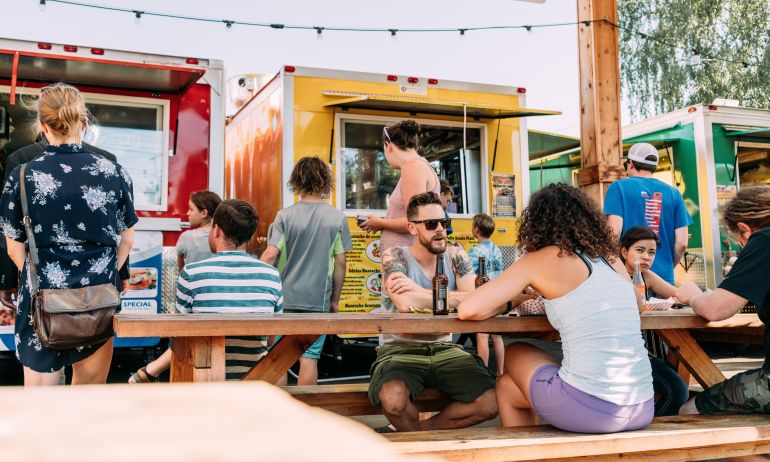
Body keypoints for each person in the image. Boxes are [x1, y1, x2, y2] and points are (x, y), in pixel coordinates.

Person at [459, 183, 654, 434]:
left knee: (516, 351)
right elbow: (637, 304)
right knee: (507, 386)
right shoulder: (611, 258)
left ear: (539, 223)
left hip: (593, 410)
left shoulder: (541, 259)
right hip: (642, 405)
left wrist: (518, 298)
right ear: (589, 219)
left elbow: (468, 309)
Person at [0, 82, 137, 386]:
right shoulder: (113, 171)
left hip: (42, 303)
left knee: (41, 399)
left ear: (42, 125)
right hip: (97, 301)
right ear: (84, 123)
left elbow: (13, 247)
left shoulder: (22, 175)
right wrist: (104, 273)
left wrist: (38, 276)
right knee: (87, 395)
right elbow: (126, 238)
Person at [370, 192, 498, 432]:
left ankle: (421, 434)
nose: (440, 229)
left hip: (445, 348)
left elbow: (478, 300)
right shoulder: (395, 256)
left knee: (492, 401)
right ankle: (421, 443)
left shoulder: (456, 255)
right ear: (412, 228)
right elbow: (404, 303)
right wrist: (456, 299)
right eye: (431, 224)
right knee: (393, 400)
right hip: (399, 349)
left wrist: (419, 292)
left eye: (444, 223)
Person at [0, 136, 128, 311]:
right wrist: (118, 274)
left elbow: (11, 239)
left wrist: (9, 280)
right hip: (99, 290)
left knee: (43, 333)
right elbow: (121, 231)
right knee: (98, 334)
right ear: (84, 122)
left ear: (42, 124)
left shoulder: (21, 161)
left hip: (43, 290)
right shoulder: (109, 162)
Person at [677, 186, 770, 417]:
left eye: (737, 240)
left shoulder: (763, 241)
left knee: (689, 412)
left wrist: (691, 295)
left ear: (744, 228)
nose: (740, 246)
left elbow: (715, 309)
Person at [261, 156, 352, 385]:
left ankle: (279, 414)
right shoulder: (337, 218)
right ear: (324, 182)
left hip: (285, 298)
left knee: (278, 359)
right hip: (318, 300)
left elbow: (271, 254)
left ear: (297, 181)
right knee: (309, 359)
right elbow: (340, 263)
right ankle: (306, 412)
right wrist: (334, 301)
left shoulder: (285, 216)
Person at [176, 199, 283, 380]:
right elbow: (271, 338)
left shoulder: (191, 273)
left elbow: (180, 337)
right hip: (256, 380)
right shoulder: (271, 275)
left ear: (216, 230)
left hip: (206, 380)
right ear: (249, 235)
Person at [128, 190, 222, 383]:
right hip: (218, 303)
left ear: (204, 213)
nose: (186, 214)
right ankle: (150, 372)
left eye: (190, 209)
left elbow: (181, 270)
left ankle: (155, 374)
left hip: (192, 302)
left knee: (180, 339)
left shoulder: (187, 237)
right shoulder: (222, 236)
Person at [619, 226, 690, 416]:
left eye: (651, 253)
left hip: (650, 350)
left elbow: (678, 295)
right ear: (624, 251)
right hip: (626, 351)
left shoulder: (645, 276)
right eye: (640, 250)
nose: (646, 257)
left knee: (677, 388)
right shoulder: (615, 276)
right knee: (676, 390)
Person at [604, 142, 693, 285]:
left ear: (630, 164)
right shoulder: (674, 193)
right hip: (664, 279)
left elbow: (614, 232)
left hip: (628, 277)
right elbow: (682, 243)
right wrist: (667, 268)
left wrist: (613, 266)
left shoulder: (618, 187)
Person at [359, 120, 440, 252]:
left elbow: (414, 220)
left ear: (388, 145)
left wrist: (380, 223)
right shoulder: (418, 165)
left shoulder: (412, 167)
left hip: (404, 258)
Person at [468, 213, 505, 377]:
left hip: (484, 296)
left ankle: (482, 374)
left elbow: (469, 273)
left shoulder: (475, 251)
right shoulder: (496, 248)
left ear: (476, 229)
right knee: (497, 336)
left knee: (482, 336)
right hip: (498, 295)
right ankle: (501, 372)